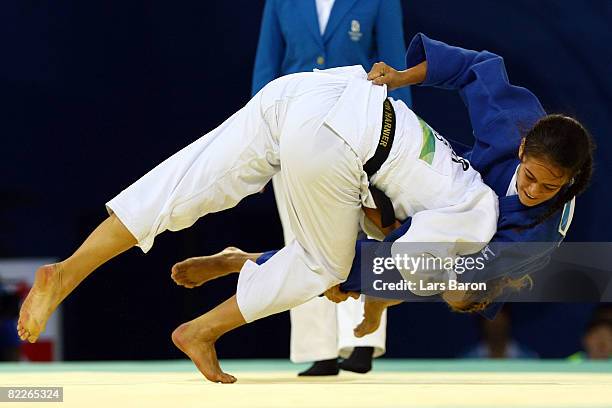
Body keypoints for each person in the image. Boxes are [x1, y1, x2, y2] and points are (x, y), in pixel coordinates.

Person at [17, 63, 499, 383]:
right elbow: (395, 265)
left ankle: (66, 273)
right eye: (451, 292)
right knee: (324, 265)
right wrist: (372, 309)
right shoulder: (476, 221)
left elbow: (382, 228)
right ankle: (202, 329)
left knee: (178, 185)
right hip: (341, 133)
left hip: (308, 91)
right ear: (469, 268)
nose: (441, 292)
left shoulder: (449, 184)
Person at [194, 33, 595, 337]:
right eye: (530, 177)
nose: (534, 191)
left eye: (550, 187)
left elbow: (448, 282)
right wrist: (403, 77)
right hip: (454, 178)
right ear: (523, 148)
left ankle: (246, 260)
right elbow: (476, 67)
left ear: (571, 180)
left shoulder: (529, 236)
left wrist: (382, 251)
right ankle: (350, 288)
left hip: (479, 242)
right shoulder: (517, 122)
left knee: (372, 269)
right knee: (352, 261)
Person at [252, 0, 412, 375]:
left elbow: (396, 69)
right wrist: (260, 141)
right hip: (291, 128)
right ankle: (318, 347)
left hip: (361, 127)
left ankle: (362, 342)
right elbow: (266, 68)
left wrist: (400, 135)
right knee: (300, 239)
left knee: (368, 229)